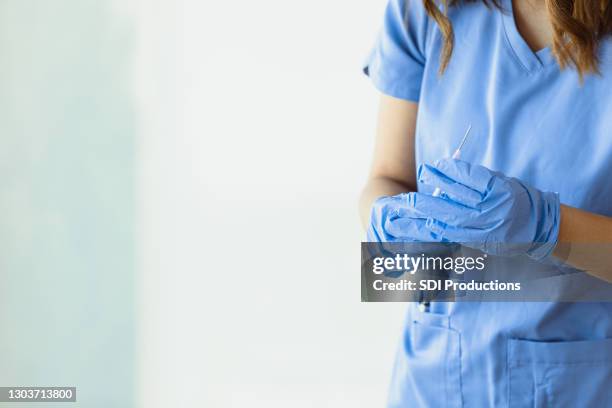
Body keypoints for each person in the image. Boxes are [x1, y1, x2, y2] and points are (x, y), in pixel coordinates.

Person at [360, 0, 612, 406]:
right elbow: (388, 175)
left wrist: (548, 227)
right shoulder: (423, 10)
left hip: (582, 384)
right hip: (433, 378)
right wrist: (387, 227)